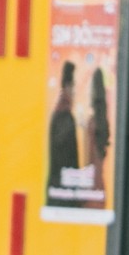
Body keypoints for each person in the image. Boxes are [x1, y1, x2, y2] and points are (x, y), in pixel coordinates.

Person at [47, 61, 82, 201]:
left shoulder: (61, 112)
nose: (75, 91)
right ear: (67, 87)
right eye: (73, 87)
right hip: (63, 192)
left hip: (61, 188)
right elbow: (66, 157)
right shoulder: (63, 115)